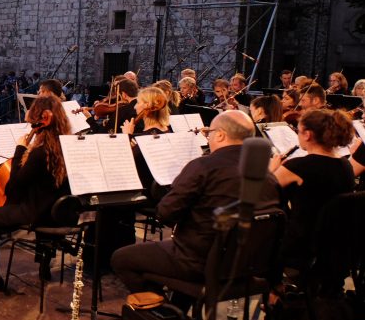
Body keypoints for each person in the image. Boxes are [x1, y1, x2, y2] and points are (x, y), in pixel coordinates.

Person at [111, 110, 280, 293]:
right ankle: (181, 306)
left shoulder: (204, 166)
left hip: (199, 262)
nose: (208, 138)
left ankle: (162, 315)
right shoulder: (268, 173)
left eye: (209, 133)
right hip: (247, 263)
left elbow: (165, 214)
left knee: (121, 259)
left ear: (221, 134)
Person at [0, 96, 71, 290]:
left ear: (42, 121)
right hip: (61, 213)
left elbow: (14, 187)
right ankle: (44, 264)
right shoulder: (68, 146)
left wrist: (20, 149)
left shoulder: (39, 153)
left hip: (37, 212)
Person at [270, 109, 355, 273]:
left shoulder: (297, 167)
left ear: (307, 135)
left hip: (302, 243)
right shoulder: (346, 165)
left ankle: (273, 285)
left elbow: (262, 193)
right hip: (337, 243)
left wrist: (271, 171)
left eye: (298, 131)